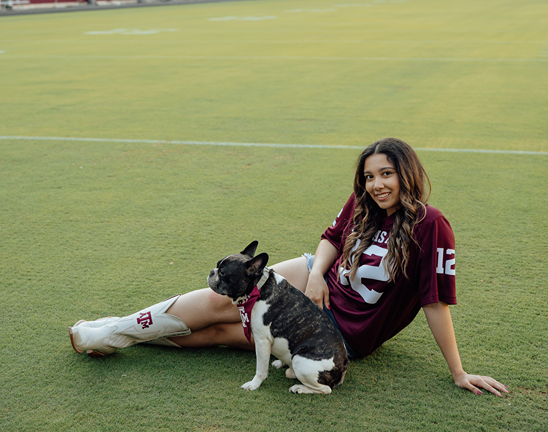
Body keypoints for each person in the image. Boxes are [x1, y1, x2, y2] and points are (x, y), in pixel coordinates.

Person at [70, 137, 508, 397]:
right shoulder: (362, 201)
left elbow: (436, 302)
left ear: (407, 174)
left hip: (339, 330)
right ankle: (112, 331)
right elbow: (331, 240)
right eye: (370, 176)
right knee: (220, 299)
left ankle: (120, 332)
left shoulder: (433, 226)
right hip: (315, 281)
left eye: (387, 174)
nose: (376, 184)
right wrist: (317, 273)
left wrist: (458, 371)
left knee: (222, 335)